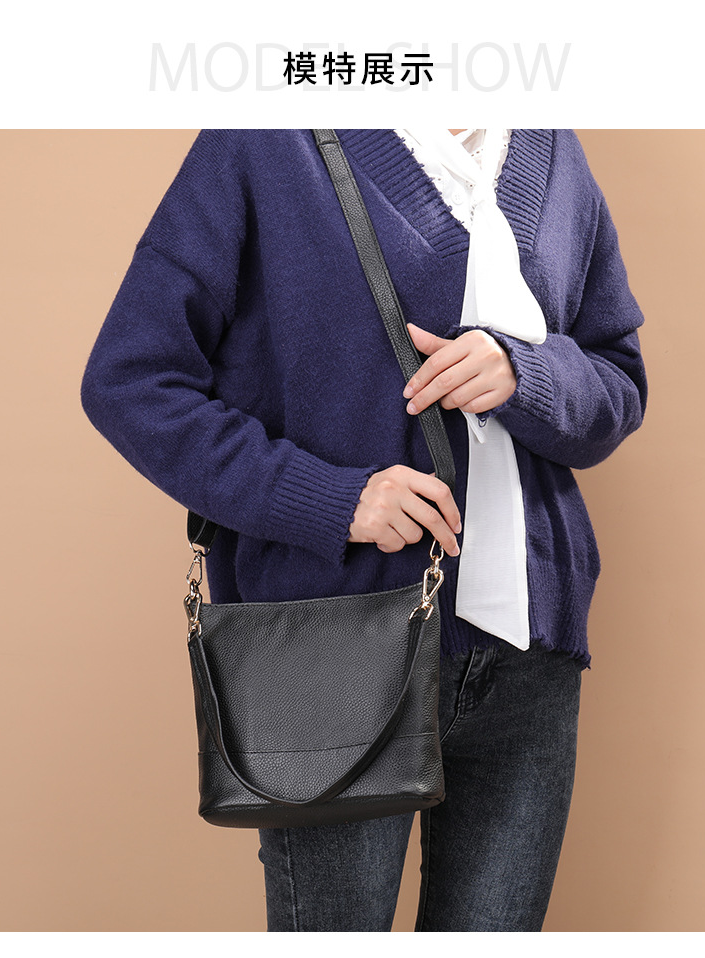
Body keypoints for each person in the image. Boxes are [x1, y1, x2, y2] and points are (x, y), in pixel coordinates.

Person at [80, 128, 647, 932]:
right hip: (333, 652)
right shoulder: (266, 140)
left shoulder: (549, 145)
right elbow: (130, 379)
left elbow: (618, 378)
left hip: (528, 656)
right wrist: (331, 500)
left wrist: (527, 374)